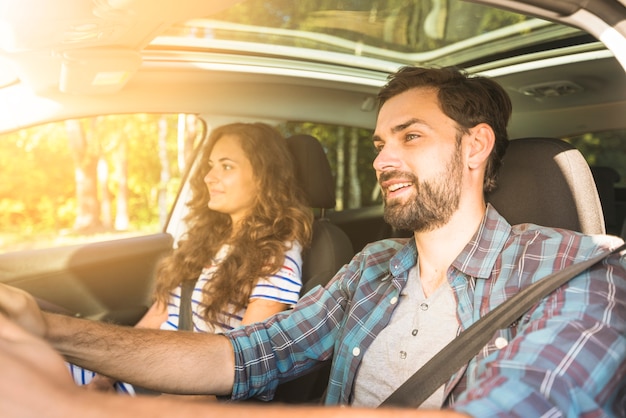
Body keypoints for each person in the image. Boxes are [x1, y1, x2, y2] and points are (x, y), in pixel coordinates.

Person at [1, 66, 625, 417]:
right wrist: (53, 331)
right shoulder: (373, 267)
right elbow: (242, 356)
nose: (383, 159)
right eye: (380, 142)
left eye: (410, 136)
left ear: (476, 145)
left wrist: (76, 407)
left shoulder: (578, 271)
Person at [71, 121, 314, 393]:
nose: (209, 177)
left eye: (226, 166)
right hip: (137, 368)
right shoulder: (212, 235)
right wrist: (104, 377)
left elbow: (244, 362)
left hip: (171, 389)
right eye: (211, 165)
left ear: (264, 176)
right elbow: (159, 313)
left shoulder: (276, 252)